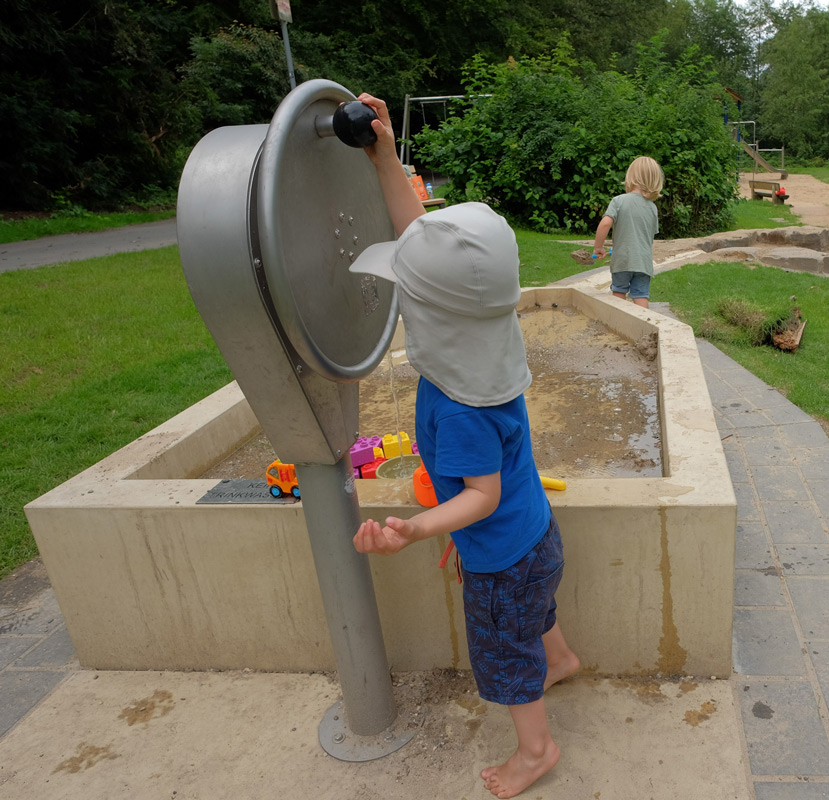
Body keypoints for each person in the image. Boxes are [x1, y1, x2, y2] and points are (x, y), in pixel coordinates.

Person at [348, 93, 579, 800]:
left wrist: (417, 527)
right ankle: (562, 658)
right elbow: (417, 230)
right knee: (533, 618)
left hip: (503, 555)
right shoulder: (487, 338)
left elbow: (483, 495)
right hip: (535, 538)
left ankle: (535, 749)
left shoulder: (456, 407)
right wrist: (383, 151)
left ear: (425, 310)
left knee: (504, 656)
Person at [592, 156, 665, 309]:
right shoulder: (652, 208)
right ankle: (644, 327)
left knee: (619, 292)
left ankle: (621, 325)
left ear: (630, 177)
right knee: (641, 295)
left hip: (623, 260)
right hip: (643, 262)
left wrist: (598, 247)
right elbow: (648, 237)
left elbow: (605, 223)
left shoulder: (618, 201)